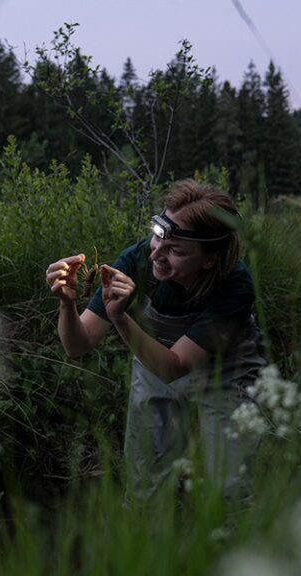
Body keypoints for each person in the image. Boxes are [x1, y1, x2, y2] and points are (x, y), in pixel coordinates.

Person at [45, 179, 268, 498]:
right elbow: (77, 345)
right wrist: (67, 302)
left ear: (209, 259)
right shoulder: (137, 259)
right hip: (156, 354)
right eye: (157, 237)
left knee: (231, 484)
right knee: (145, 480)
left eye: (176, 250)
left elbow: (173, 368)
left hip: (226, 369)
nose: (156, 256)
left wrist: (120, 317)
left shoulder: (236, 284)